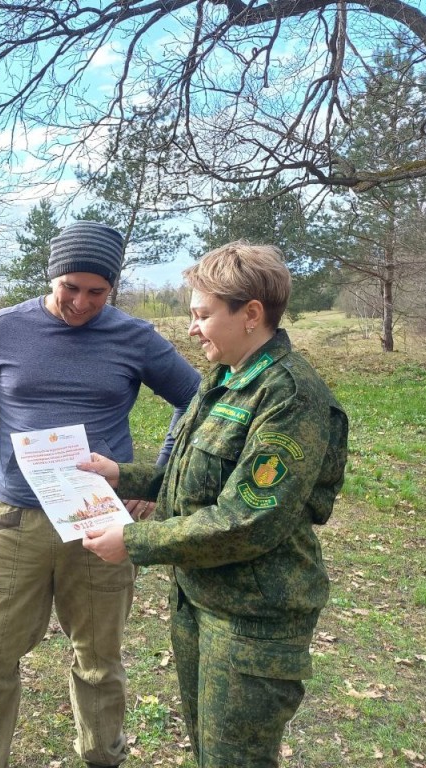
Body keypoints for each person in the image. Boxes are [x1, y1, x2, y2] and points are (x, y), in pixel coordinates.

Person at [0, 220, 200, 768]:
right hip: (15, 516)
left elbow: (195, 399)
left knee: (98, 660)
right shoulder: (4, 328)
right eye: (71, 287)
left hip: (97, 519)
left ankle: (101, 756)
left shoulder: (133, 337)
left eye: (97, 291)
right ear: (52, 276)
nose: (81, 302)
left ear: (112, 287)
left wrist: (156, 479)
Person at [81, 241, 349, 768]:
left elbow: (247, 520)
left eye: (203, 315)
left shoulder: (289, 396)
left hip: (253, 619)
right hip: (200, 599)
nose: (192, 328)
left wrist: (132, 541)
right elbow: (192, 477)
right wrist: (120, 474)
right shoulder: (225, 380)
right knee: (210, 749)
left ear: (251, 314)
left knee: (236, 759)